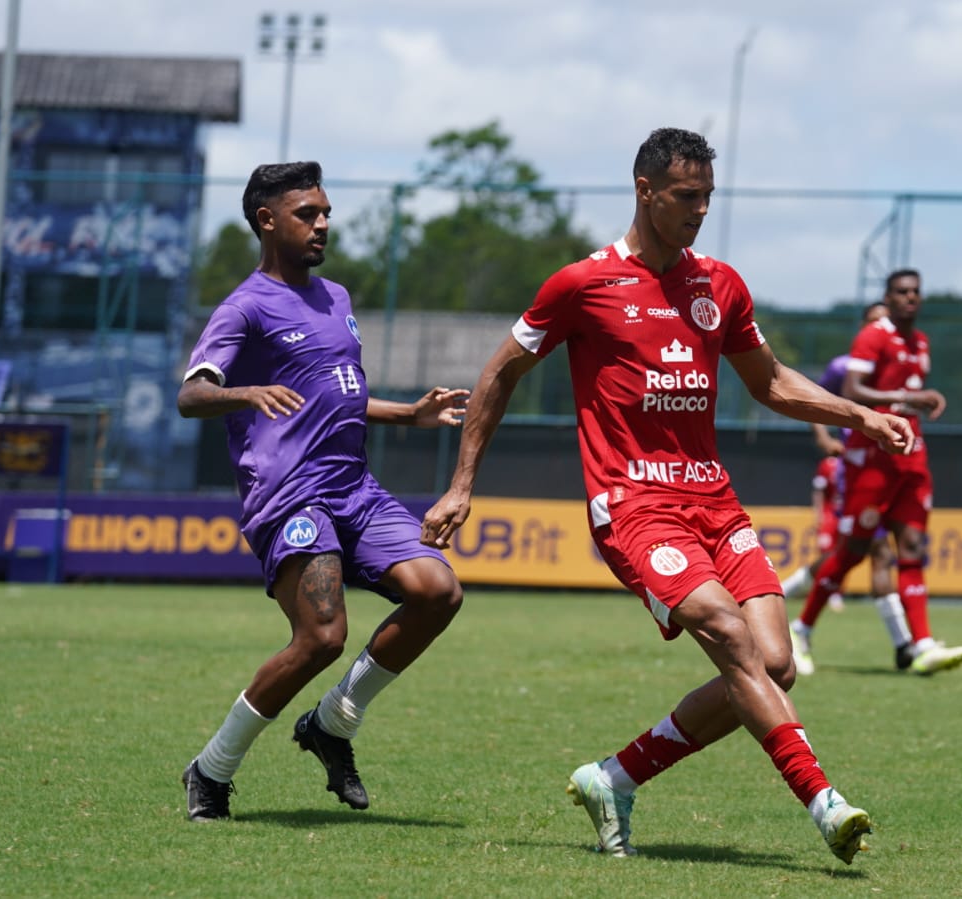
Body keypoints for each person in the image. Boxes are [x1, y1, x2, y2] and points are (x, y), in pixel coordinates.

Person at [420, 128, 913, 864]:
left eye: (708, 196)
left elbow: (771, 381)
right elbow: (499, 372)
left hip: (715, 502)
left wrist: (861, 416)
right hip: (632, 506)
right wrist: (462, 484)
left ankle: (614, 777)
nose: (700, 209)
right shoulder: (581, 284)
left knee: (774, 664)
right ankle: (824, 800)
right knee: (729, 633)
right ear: (644, 190)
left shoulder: (720, 284)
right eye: (686, 195)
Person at [176, 162, 470, 822]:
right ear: (266, 221)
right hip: (290, 496)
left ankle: (332, 724)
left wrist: (409, 414)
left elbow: (337, 394)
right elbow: (191, 395)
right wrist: (245, 392)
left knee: (438, 591)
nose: (322, 224)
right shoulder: (245, 307)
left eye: (325, 212)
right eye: (307, 213)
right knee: (323, 636)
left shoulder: (336, 297)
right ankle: (211, 769)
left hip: (353, 488)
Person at [799, 269, 962, 676]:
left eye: (915, 292)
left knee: (911, 546)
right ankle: (801, 630)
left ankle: (922, 644)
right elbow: (852, 390)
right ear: (888, 298)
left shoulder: (921, 342)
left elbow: (903, 401)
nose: (910, 298)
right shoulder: (873, 336)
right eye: (901, 292)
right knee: (852, 552)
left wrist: (916, 403)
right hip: (872, 459)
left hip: (911, 457)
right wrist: (908, 397)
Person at [784, 301, 913, 675]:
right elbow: (813, 397)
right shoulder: (845, 367)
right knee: (862, 549)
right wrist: (823, 437)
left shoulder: (902, 363)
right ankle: (797, 621)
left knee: (869, 552)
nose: (882, 328)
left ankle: (907, 645)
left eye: (887, 322)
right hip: (856, 470)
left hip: (890, 469)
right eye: (874, 322)